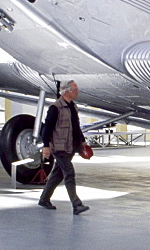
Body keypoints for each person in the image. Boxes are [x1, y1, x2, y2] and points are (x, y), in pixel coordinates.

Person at [37, 81, 91, 214]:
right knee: (69, 173)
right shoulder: (55, 108)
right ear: (67, 91)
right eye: (75, 89)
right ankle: (76, 204)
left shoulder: (73, 106)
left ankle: (44, 199)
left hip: (71, 146)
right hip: (59, 147)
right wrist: (46, 146)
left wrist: (82, 141)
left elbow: (76, 126)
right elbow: (47, 129)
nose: (77, 91)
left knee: (57, 174)